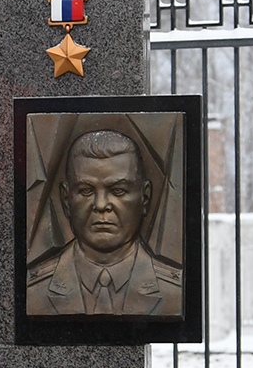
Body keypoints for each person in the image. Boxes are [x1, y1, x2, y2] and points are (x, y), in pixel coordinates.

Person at [25, 128, 181, 317]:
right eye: (85, 191)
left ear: (144, 198)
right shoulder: (35, 289)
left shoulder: (174, 290)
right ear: (66, 200)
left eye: (118, 191)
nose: (100, 205)